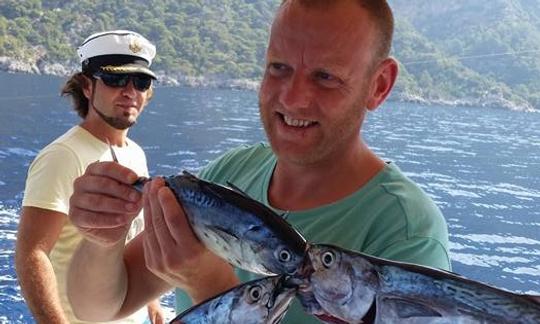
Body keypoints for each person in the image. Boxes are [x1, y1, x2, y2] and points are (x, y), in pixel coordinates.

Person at [67, 1, 451, 323]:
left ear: (379, 85)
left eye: (325, 76)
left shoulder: (408, 234)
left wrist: (211, 286)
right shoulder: (229, 174)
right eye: (279, 68)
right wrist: (103, 239)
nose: (293, 98)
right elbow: (99, 308)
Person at [15, 30, 164, 324]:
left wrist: (154, 305)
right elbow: (31, 254)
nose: (129, 91)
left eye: (141, 81)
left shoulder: (135, 154)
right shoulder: (63, 156)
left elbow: (135, 242)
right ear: (86, 86)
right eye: (115, 79)